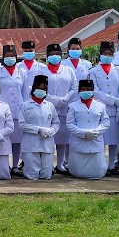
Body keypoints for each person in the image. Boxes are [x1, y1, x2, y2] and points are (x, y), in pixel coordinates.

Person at [89, 41, 119, 174]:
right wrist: (113, 101)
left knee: (114, 140)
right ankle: (102, 164)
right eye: (105, 53)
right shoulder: (93, 71)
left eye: (110, 54)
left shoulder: (118, 69)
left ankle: (112, 164)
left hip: (116, 109)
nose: (107, 56)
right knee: (102, 139)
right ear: (100, 54)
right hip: (101, 109)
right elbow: (96, 91)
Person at [43, 43, 78, 174]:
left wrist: (66, 99)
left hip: (65, 107)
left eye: (57, 54)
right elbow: (40, 89)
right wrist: (55, 100)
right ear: (47, 56)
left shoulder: (68, 70)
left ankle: (60, 164)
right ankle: (49, 165)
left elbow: (74, 87)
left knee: (63, 138)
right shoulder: (42, 71)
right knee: (49, 138)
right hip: (49, 108)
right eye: (51, 54)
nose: (54, 56)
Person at [65, 79, 110, 179]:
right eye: (83, 89)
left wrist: (95, 132)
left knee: (98, 171)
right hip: (79, 141)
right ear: (79, 91)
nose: (86, 91)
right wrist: (83, 133)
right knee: (78, 171)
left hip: (95, 140)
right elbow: (70, 124)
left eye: (88, 89)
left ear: (93, 90)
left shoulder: (101, 106)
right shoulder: (72, 106)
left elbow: (105, 123)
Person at [19, 75, 59, 180]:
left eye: (43, 89)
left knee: (46, 175)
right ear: (33, 89)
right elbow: (22, 124)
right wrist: (38, 130)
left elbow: (56, 123)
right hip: (31, 143)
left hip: (47, 142)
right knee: (32, 175)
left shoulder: (50, 105)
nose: (41, 91)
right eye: (39, 88)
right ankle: (25, 167)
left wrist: (50, 131)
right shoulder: (25, 105)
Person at [0, 44, 26, 175]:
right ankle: (4, 164)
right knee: (3, 138)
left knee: (17, 140)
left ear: (16, 57)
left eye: (12, 56)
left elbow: (25, 93)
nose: (10, 58)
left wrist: (25, 109)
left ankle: (14, 166)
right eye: (7, 56)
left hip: (18, 110)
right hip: (2, 111)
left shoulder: (22, 72)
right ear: (3, 58)